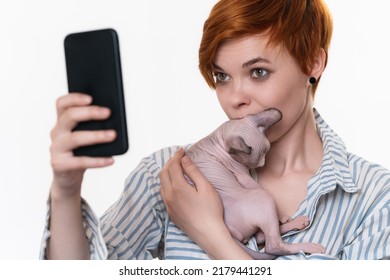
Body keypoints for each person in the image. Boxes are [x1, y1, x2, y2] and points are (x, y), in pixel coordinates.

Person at [41, 0, 390, 260]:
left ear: (313, 62)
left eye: (258, 72)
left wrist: (212, 235)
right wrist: (66, 191)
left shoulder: (374, 200)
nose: (235, 98)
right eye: (222, 76)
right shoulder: (172, 176)